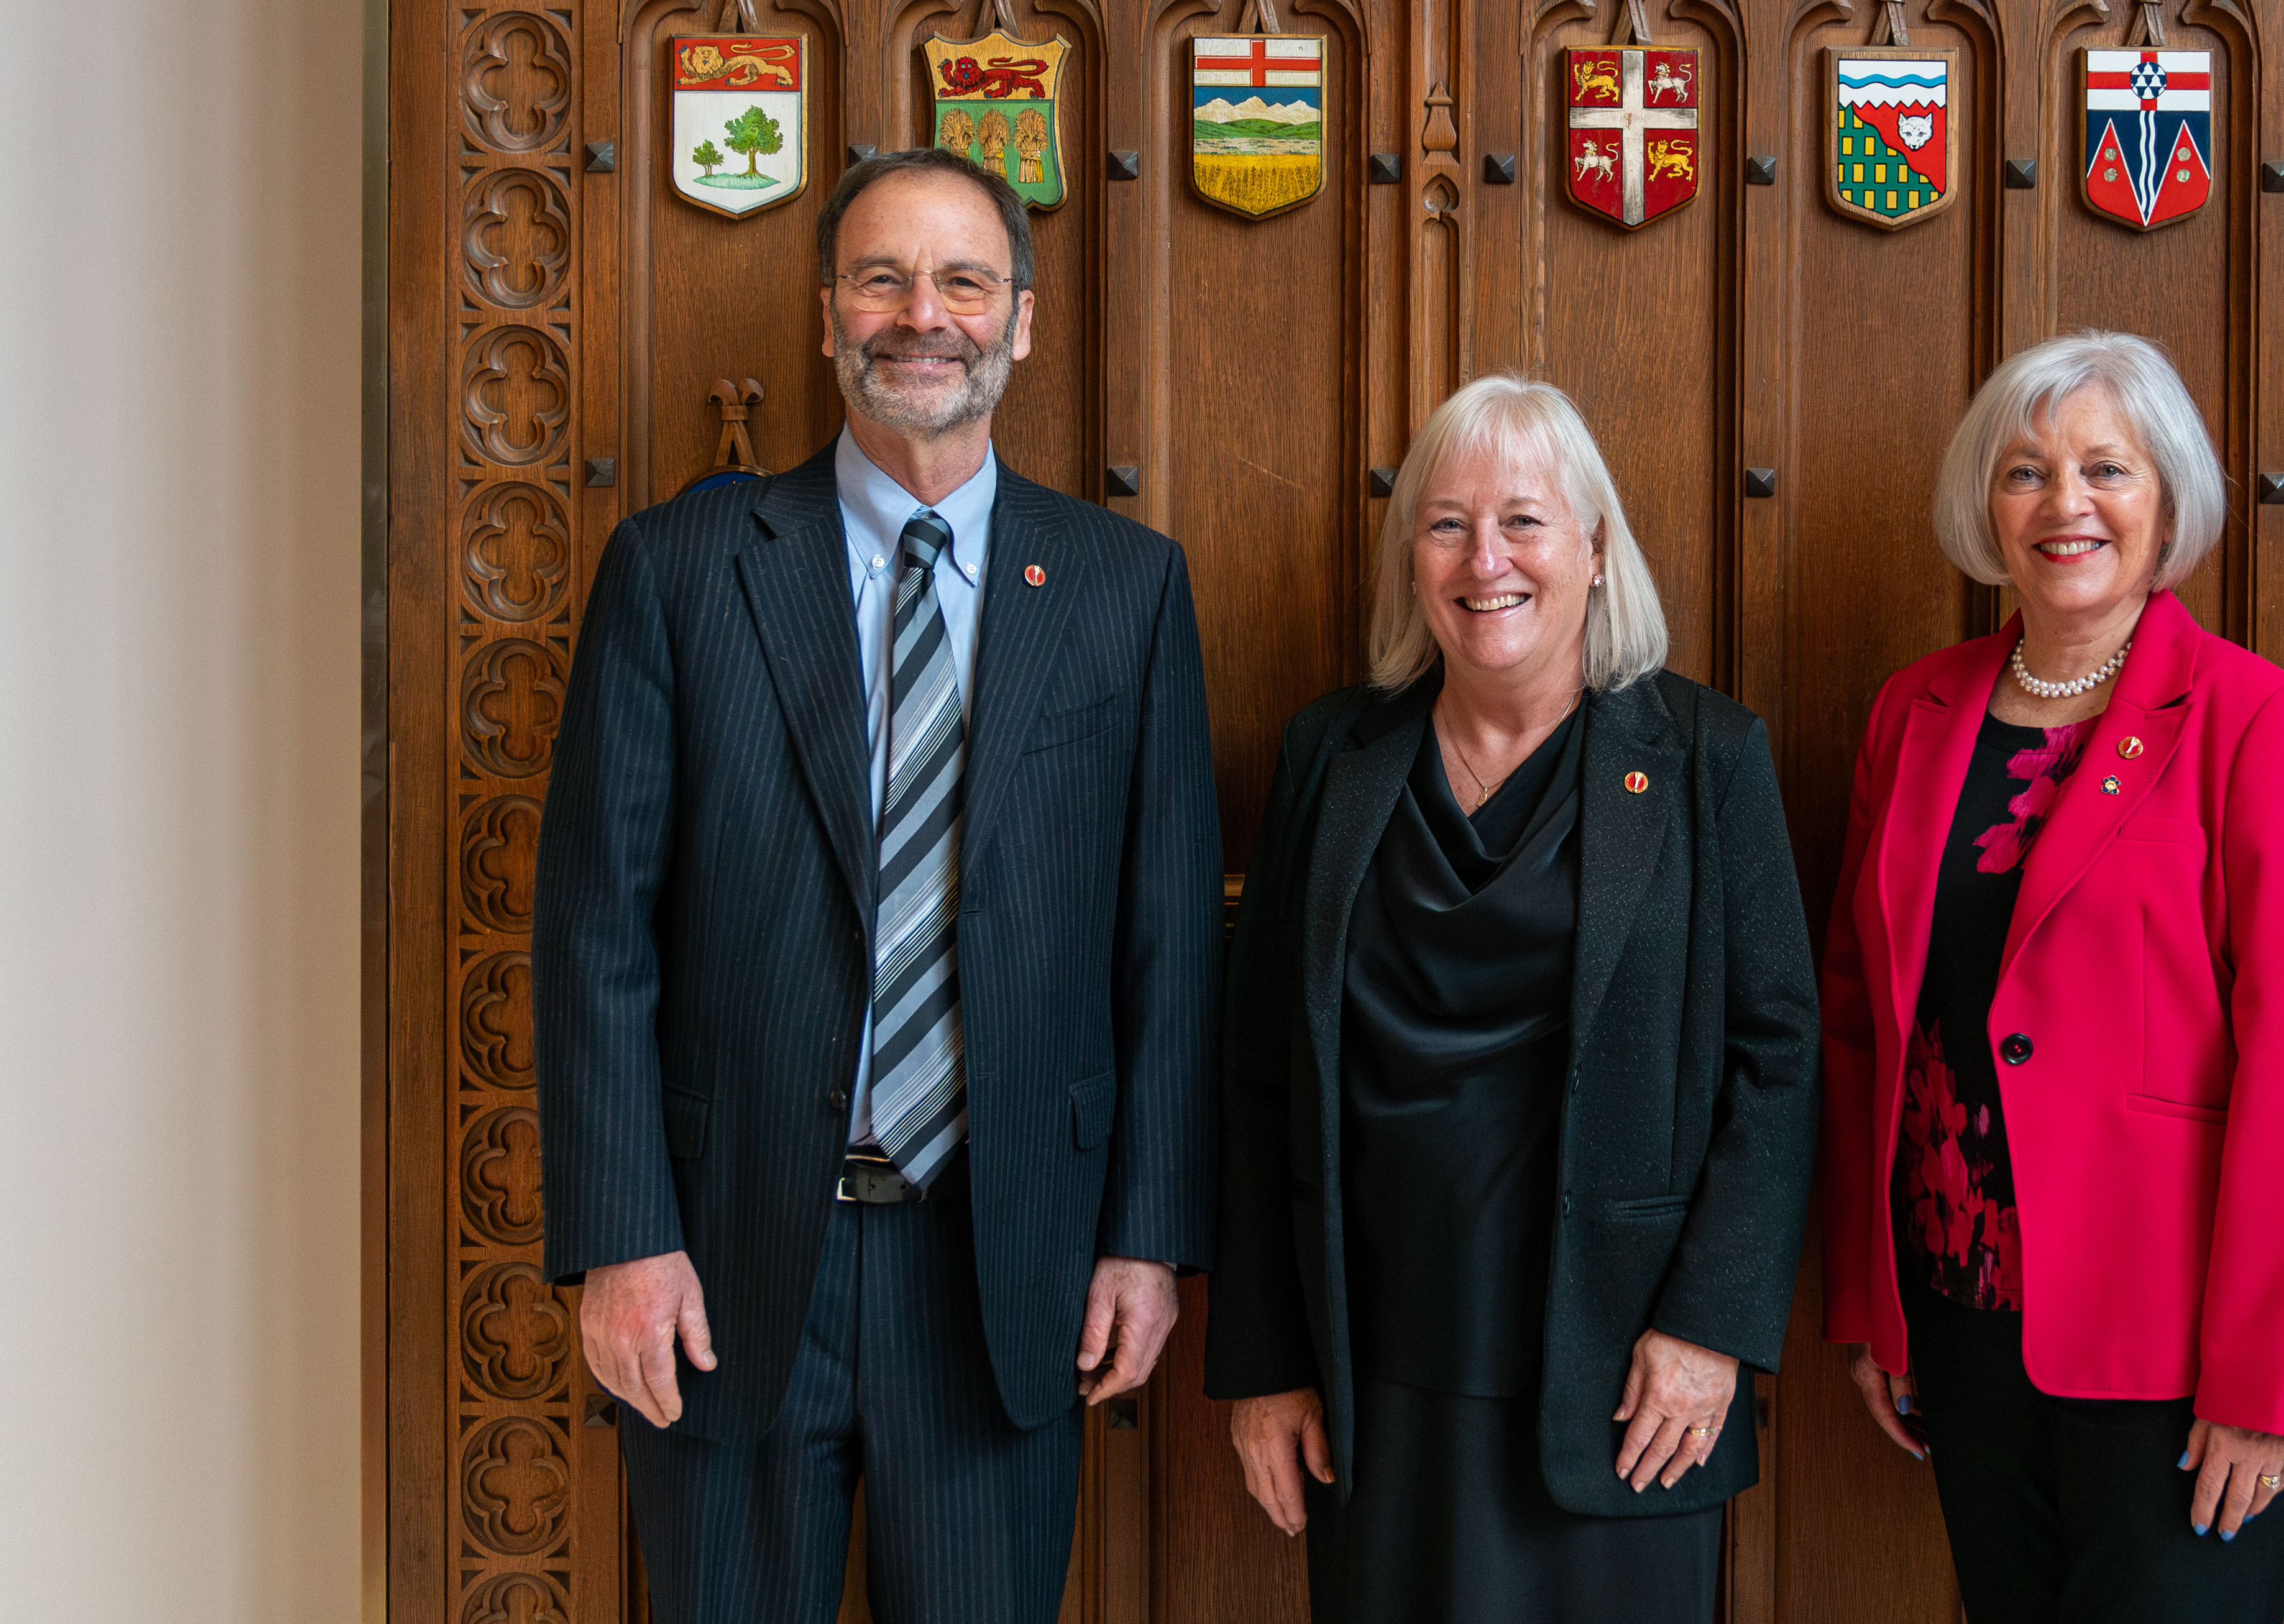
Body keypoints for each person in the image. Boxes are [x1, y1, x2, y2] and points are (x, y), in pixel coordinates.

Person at [534, 147, 1223, 1623]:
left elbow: (1167, 947)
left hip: (1005, 1266)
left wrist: (1147, 1237)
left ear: (1020, 321)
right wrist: (620, 1236)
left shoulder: (1123, 586)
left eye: (964, 281)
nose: (925, 315)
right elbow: (596, 930)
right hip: (721, 1261)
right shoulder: (680, 567)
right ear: (827, 314)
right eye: (884, 279)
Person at [1206, 376, 1818, 1623]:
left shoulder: (1706, 756)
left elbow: (1779, 1057)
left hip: (1623, 1376)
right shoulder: (1331, 755)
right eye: (1445, 525)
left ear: (1594, 549)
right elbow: (1258, 1068)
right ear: (1410, 560)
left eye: (1524, 521)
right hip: (1373, 1371)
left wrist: (1710, 1329)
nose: (1484, 559)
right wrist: (1264, 1361)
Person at [1817, 331, 2284, 1623]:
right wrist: (1871, 1304)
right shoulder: (1913, 716)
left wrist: (2262, 1382)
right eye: (2024, 474)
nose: (2062, 505)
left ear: (2166, 501)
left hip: (2176, 1352)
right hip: (1961, 1325)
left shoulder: (2255, 725)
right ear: (1984, 508)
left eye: (2103, 470)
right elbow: (1858, 1026)